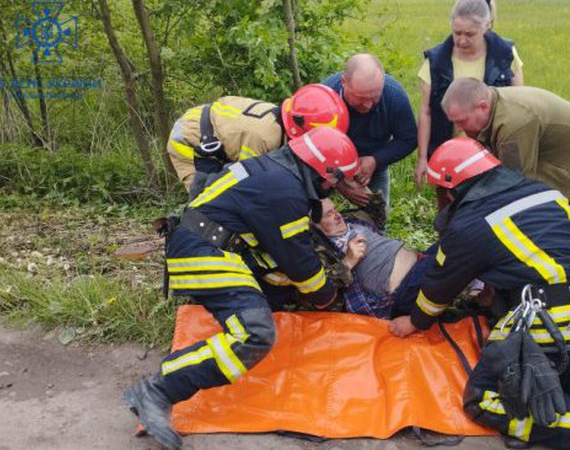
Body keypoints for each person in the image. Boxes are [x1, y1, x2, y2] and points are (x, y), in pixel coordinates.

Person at [123, 127, 359, 450]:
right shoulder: (286, 192)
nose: (334, 188)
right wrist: (329, 293)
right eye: (336, 180)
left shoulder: (276, 171)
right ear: (324, 172)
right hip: (204, 250)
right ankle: (158, 389)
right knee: (257, 331)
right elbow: (301, 266)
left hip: (206, 242)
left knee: (271, 300)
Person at [389, 137, 570, 449]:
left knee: (482, 400)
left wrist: (415, 322)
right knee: (527, 358)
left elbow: (438, 289)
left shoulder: (470, 225)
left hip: (553, 325)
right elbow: (542, 257)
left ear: (450, 190)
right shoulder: (543, 193)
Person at [439, 78, 570, 212]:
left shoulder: (513, 124)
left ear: (482, 106)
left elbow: (513, 181)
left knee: (548, 209)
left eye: (462, 121)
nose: (459, 129)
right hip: (551, 143)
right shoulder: (491, 103)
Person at [414, 0, 524, 207]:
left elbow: (518, 104)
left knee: (493, 208)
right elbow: (426, 112)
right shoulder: (436, 60)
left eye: (470, 34)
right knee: (448, 213)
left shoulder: (505, 55)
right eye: (457, 32)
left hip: (494, 151)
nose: (462, 40)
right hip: (450, 155)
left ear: (487, 25)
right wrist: (422, 159)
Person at [167, 84, 349, 199]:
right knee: (212, 200)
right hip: (190, 141)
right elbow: (250, 185)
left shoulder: (281, 125)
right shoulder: (264, 138)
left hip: (220, 135)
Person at [322, 53, 418, 208]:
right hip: (327, 164)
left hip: (373, 166)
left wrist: (376, 160)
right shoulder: (325, 96)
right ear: (344, 83)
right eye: (361, 98)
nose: (367, 105)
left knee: (377, 215)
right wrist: (340, 183)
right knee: (316, 217)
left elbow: (409, 138)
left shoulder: (393, 95)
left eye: (374, 98)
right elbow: (309, 146)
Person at [312, 197, 430, 318]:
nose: (337, 215)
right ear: (316, 225)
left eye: (335, 209)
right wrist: (347, 262)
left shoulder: (353, 219)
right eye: (328, 214)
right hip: (405, 288)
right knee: (446, 269)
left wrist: (361, 188)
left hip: (420, 261)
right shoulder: (321, 251)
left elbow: (378, 212)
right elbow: (320, 293)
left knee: (445, 250)